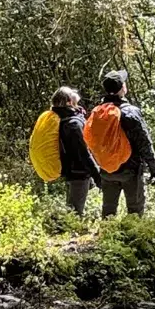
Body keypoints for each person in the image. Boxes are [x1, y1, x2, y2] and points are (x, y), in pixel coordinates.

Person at [86, 68, 155, 218]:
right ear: (123, 88)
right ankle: (133, 238)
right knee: (135, 209)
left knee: (108, 209)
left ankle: (107, 237)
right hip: (130, 170)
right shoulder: (130, 112)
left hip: (107, 169)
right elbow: (144, 142)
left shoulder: (99, 112)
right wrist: (154, 167)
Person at [52, 84, 101, 217]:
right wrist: (97, 175)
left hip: (71, 170)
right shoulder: (73, 124)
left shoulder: (63, 118)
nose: (75, 92)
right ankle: (70, 233)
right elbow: (84, 153)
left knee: (72, 207)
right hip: (78, 172)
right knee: (75, 212)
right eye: (71, 93)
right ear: (68, 102)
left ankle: (67, 228)